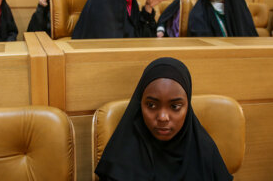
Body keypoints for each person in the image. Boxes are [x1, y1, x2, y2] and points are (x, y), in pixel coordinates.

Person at [95, 57, 233, 181]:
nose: (163, 117)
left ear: (188, 107)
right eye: (151, 105)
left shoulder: (204, 150)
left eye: (175, 106)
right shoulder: (121, 157)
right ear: (140, 103)